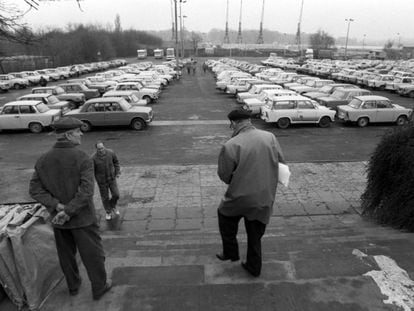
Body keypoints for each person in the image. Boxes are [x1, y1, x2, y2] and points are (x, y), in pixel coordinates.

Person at [29, 117, 112, 301]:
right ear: (68, 135)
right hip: (83, 219)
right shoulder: (82, 157)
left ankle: (73, 286)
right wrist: (68, 211)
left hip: (58, 220)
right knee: (93, 255)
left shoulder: (43, 159)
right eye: (77, 131)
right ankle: (99, 287)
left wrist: (57, 207)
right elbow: (87, 191)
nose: (81, 134)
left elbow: (35, 190)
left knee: (66, 256)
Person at [216, 108, 286, 277]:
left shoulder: (231, 145)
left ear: (233, 123)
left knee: (224, 215)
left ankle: (231, 252)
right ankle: (254, 267)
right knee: (255, 234)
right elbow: (281, 162)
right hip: (264, 197)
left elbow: (224, 176)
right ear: (249, 121)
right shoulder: (270, 137)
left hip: (239, 198)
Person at [91, 141, 121, 221]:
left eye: (102, 148)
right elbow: (92, 170)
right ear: (96, 149)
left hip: (112, 178)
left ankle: (112, 206)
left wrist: (117, 171)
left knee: (116, 194)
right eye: (99, 149)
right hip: (102, 181)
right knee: (105, 197)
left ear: (104, 147)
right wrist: (93, 180)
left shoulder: (111, 152)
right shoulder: (93, 158)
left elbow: (116, 162)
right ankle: (108, 212)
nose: (101, 150)